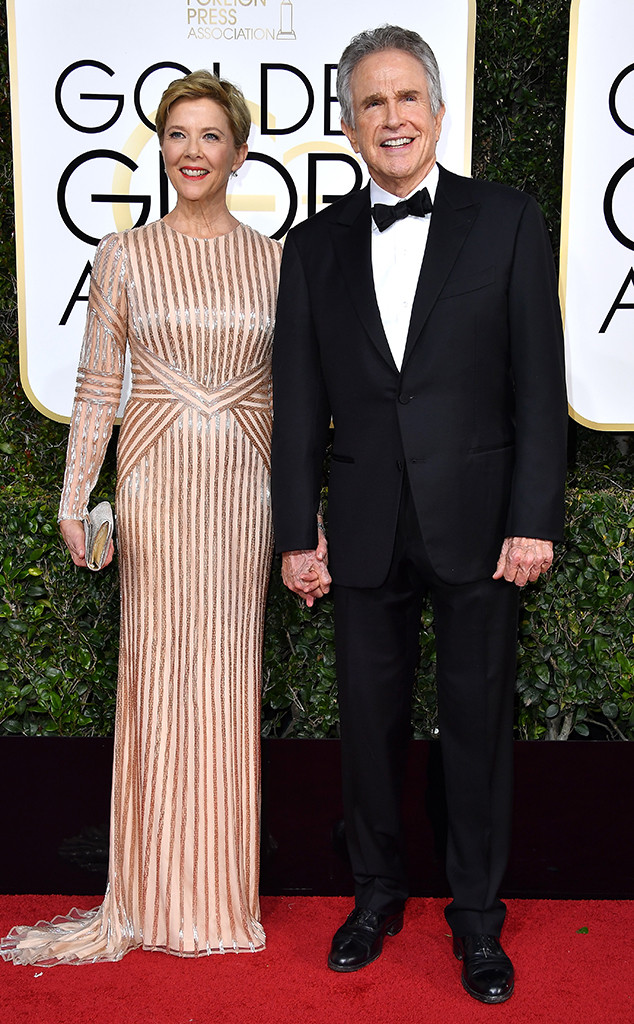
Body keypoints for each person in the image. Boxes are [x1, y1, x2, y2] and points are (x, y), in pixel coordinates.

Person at [271, 25, 567, 1004]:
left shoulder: (509, 219)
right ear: (348, 124)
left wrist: (533, 517)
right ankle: (376, 895)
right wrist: (294, 531)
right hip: (359, 521)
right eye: (370, 102)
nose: (390, 117)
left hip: (482, 522)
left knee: (477, 724)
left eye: (406, 98)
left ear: (437, 112)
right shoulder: (310, 246)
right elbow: (297, 399)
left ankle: (476, 920)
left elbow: (538, 386)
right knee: (368, 724)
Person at [1, 70, 282, 965]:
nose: (191, 152)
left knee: (230, 674)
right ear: (159, 148)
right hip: (157, 484)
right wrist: (75, 493)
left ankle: (220, 896)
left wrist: (305, 512)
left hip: (243, 488)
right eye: (176, 135)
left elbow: (298, 391)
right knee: (158, 672)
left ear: (239, 152)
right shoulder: (122, 254)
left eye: (209, 136)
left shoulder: (278, 259)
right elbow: (96, 387)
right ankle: (155, 894)